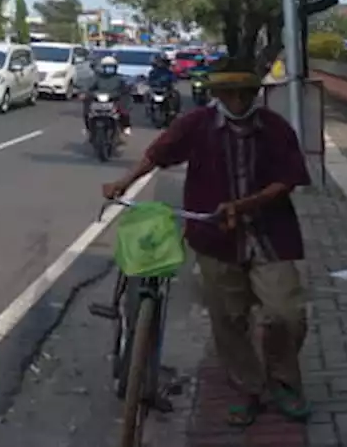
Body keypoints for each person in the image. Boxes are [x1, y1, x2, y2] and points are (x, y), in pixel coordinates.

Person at [101, 59, 312, 427]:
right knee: (228, 320)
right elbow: (157, 154)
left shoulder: (275, 128)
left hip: (270, 235)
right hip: (215, 237)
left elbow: (288, 180)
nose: (237, 99)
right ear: (216, 94)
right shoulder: (196, 125)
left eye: (245, 92)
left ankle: (283, 381)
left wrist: (244, 205)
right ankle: (249, 387)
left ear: (254, 93)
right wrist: (125, 180)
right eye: (228, 92)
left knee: (285, 315)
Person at [83, 54, 131, 138]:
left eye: (111, 67)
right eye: (107, 67)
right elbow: (89, 87)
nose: (109, 69)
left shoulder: (119, 78)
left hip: (115, 100)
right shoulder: (97, 77)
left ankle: (125, 127)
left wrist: (125, 92)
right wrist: (85, 92)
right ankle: (88, 129)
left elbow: (125, 88)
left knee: (124, 111)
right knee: (87, 111)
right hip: (99, 101)